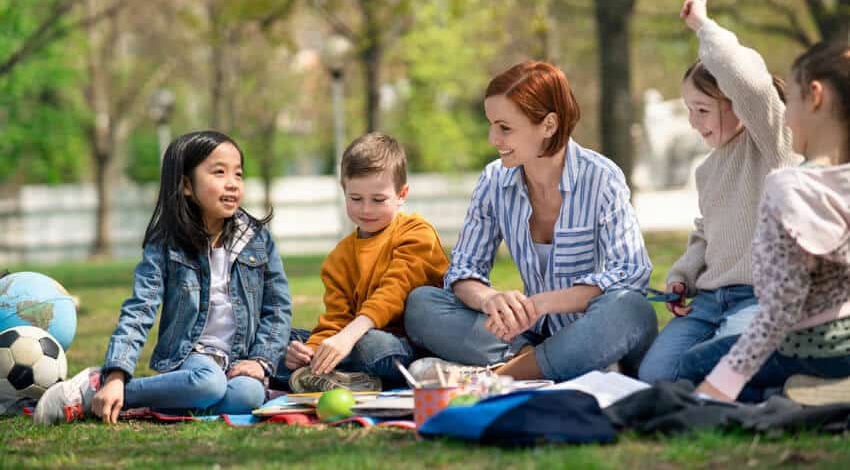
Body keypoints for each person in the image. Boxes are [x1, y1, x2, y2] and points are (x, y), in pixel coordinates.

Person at [404, 61, 658, 383]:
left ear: (549, 125)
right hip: (526, 337)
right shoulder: (494, 180)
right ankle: (540, 366)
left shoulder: (602, 179)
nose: (492, 138)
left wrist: (541, 304)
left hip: (591, 329)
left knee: (629, 309)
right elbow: (462, 271)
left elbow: (631, 272)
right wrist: (491, 299)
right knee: (422, 304)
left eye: (505, 128)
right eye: (491, 125)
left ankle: (495, 378)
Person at [34, 130, 291, 424]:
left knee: (247, 397)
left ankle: (126, 398)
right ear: (185, 185)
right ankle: (100, 387)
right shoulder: (167, 244)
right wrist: (116, 372)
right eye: (219, 172)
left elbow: (278, 309)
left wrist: (260, 361)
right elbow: (140, 310)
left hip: (239, 359)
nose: (232, 183)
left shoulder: (259, 241)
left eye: (238, 174)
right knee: (208, 384)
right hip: (192, 359)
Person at [638, 0, 798, 384]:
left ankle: (780, 387)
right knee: (656, 374)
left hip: (760, 299)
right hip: (709, 302)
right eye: (689, 110)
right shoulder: (708, 169)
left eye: (702, 110)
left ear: (736, 104)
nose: (693, 123)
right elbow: (705, 233)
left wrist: (705, 27)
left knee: (727, 370)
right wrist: (683, 276)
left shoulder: (774, 144)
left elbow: (750, 83)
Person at [679, 42, 850, 403]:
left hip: (812, 345)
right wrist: (684, 274)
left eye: (792, 103)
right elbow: (704, 230)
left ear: (815, 97)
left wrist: (720, 385)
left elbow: (778, 313)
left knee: (692, 367)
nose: (786, 116)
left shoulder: (786, 179)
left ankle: (805, 390)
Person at [276, 132, 448, 392]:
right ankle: (338, 376)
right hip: (352, 339)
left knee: (374, 346)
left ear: (402, 194)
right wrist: (310, 350)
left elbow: (393, 292)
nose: (366, 210)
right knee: (283, 342)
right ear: (344, 191)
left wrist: (345, 337)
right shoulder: (340, 256)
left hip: (403, 347)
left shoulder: (416, 232)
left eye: (378, 200)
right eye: (355, 199)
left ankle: (330, 373)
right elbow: (336, 318)